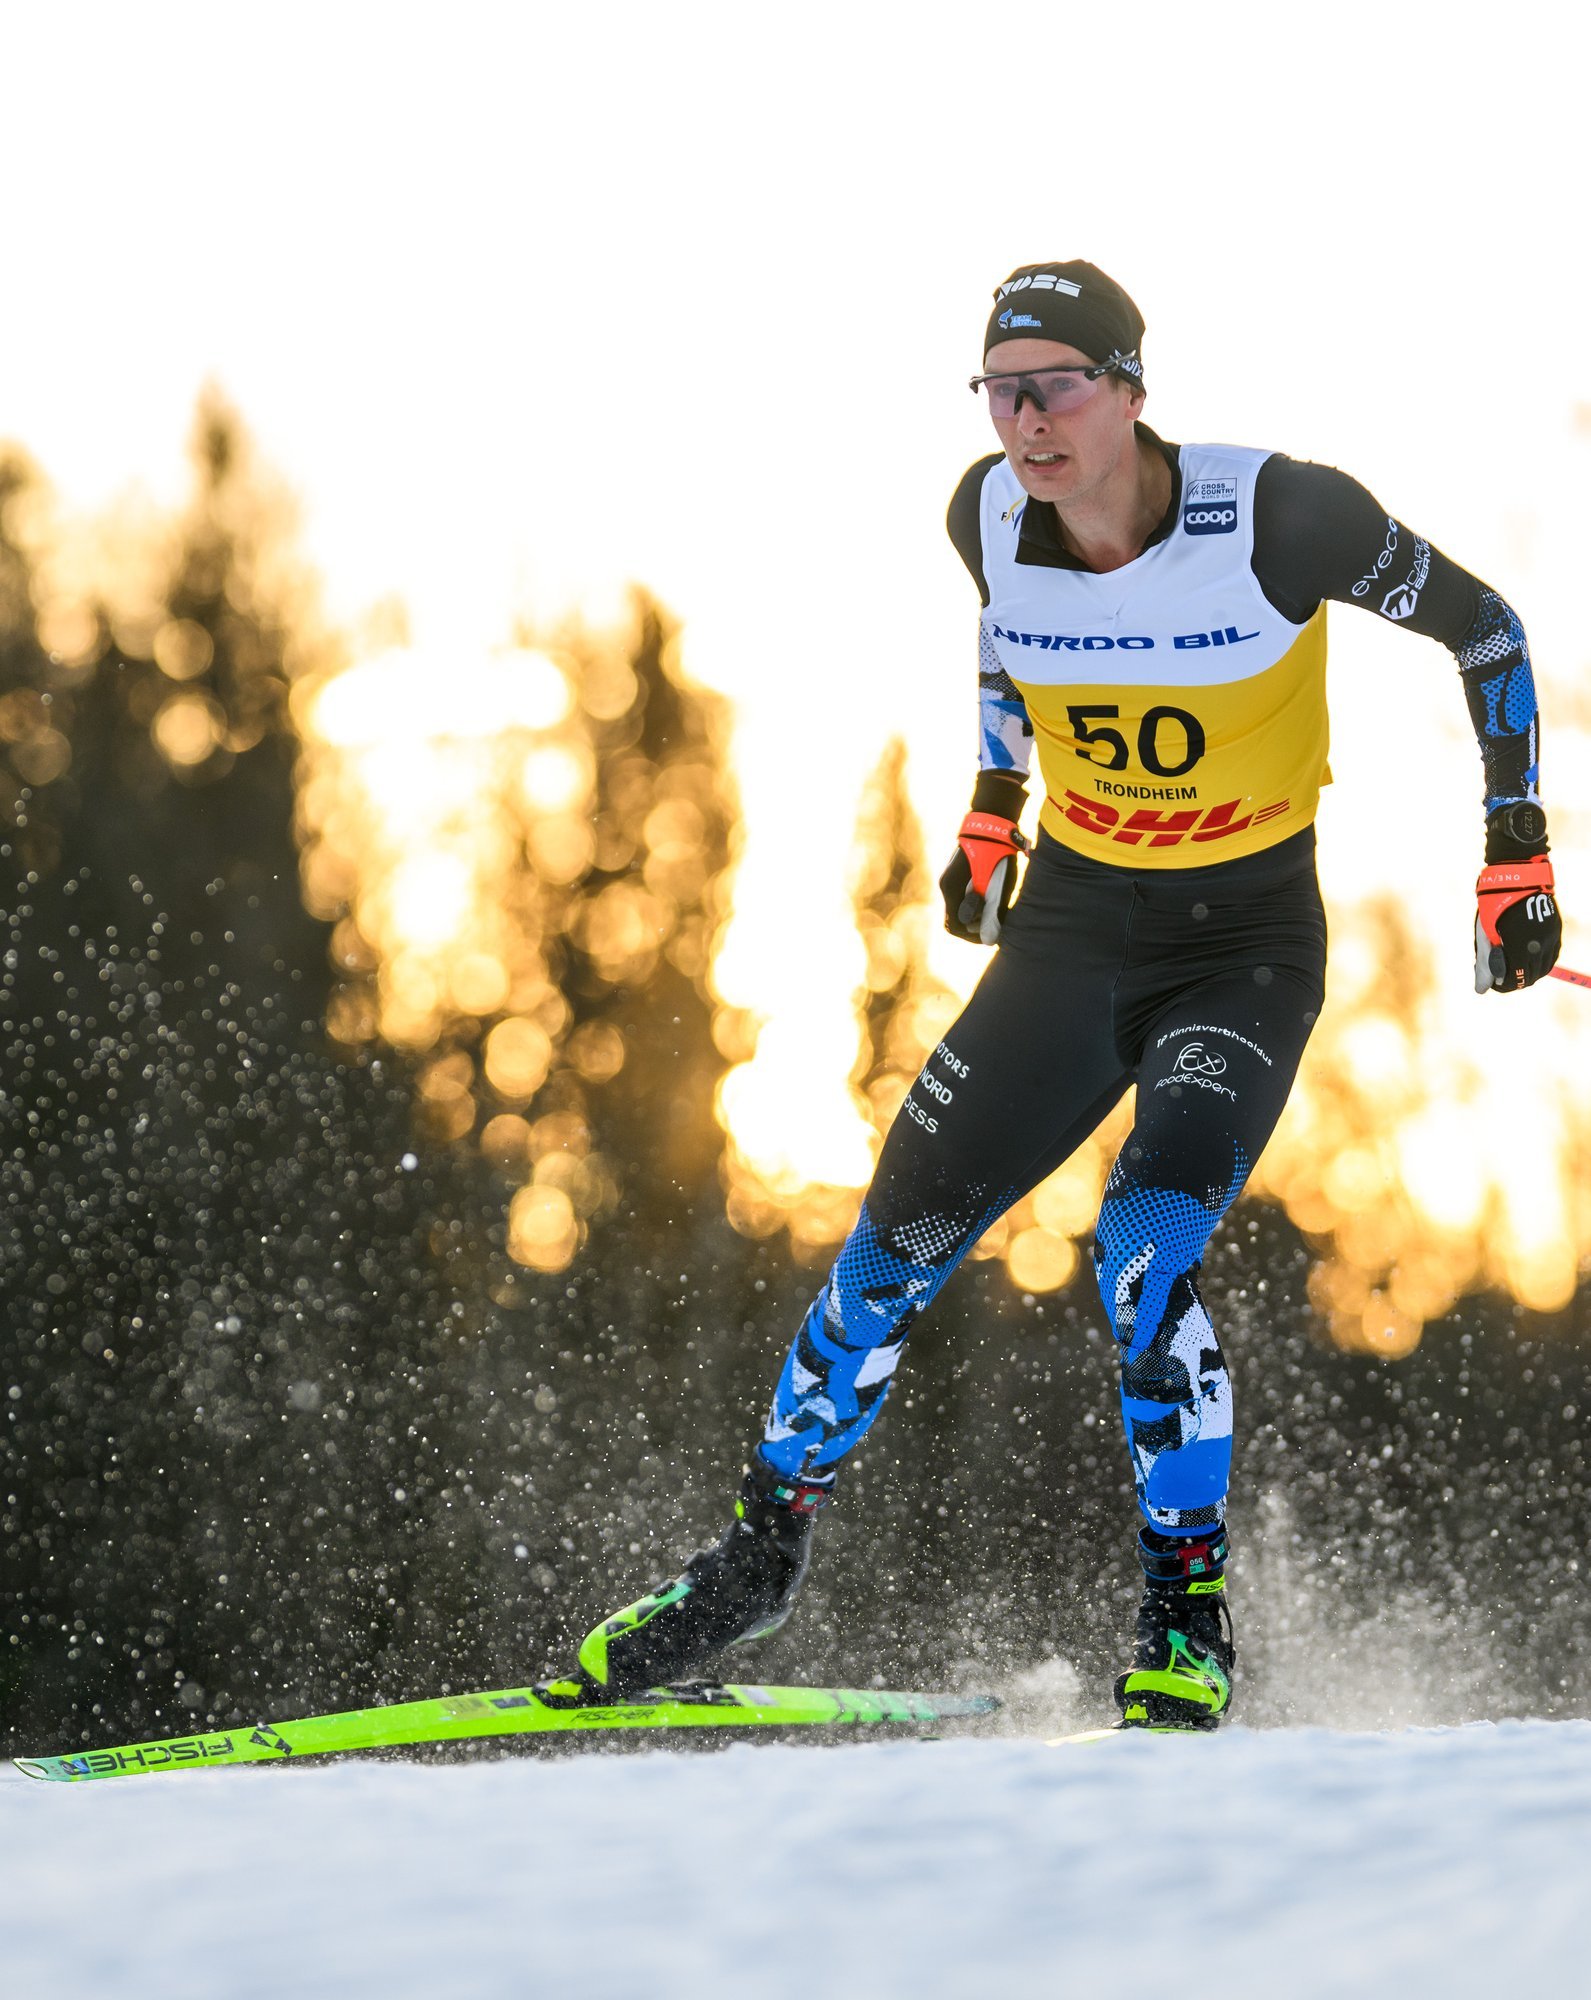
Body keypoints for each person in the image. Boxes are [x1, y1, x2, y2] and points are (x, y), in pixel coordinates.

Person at [574, 259, 1562, 1729]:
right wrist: (992, 802)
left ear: (1133, 390)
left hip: (1239, 950)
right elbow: (1005, 637)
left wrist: (1514, 847)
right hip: (1077, 932)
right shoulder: (982, 510)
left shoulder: (1281, 517)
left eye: (1057, 386)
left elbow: (1486, 629)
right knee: (888, 1250)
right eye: (1000, 389)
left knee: (1141, 1256)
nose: (1026, 422)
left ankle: (1187, 1617)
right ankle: (753, 1563)